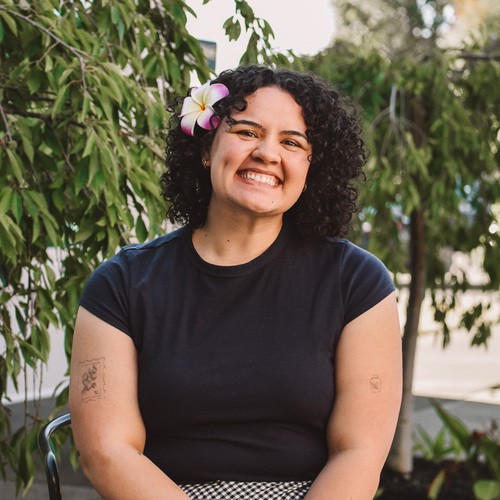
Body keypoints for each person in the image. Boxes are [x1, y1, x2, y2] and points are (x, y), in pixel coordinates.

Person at [69, 65, 402, 499]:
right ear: (207, 149)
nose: (267, 153)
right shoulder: (121, 284)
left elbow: (359, 453)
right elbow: (106, 452)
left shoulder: (356, 282)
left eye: (291, 142)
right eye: (246, 132)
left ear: (311, 168)